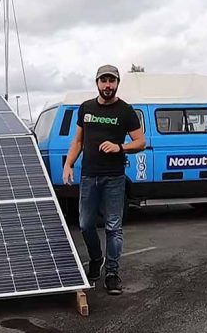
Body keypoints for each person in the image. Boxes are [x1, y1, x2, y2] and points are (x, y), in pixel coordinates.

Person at [62, 65, 146, 295]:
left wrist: (120, 147)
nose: (107, 85)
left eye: (111, 80)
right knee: (86, 225)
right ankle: (96, 258)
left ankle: (112, 273)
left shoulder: (126, 111)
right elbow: (78, 141)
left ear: (117, 83)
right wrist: (68, 164)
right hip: (89, 176)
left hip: (114, 178)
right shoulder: (86, 108)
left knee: (113, 227)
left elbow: (141, 142)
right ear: (97, 82)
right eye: (103, 80)